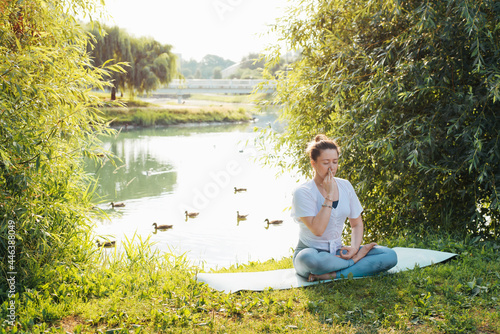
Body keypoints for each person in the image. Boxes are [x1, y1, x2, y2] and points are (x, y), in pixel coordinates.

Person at [291, 134, 397, 281]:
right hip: (311, 253)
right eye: (326, 162)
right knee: (310, 260)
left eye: (335, 162)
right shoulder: (302, 192)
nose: (332, 168)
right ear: (313, 163)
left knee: (389, 255)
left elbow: (357, 224)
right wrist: (329, 195)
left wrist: (354, 248)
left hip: (337, 252)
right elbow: (318, 230)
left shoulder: (345, 185)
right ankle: (353, 263)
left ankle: (334, 274)